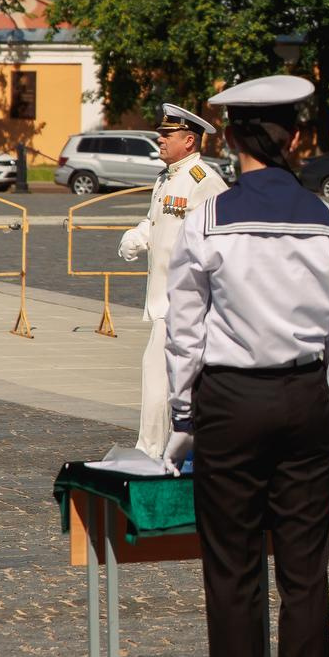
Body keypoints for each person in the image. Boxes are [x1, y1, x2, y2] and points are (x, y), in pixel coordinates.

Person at [164, 73, 329, 657]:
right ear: (297, 138)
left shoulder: (208, 219)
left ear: (232, 140)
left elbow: (184, 331)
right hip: (305, 397)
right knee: (306, 572)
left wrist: (185, 413)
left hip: (231, 400)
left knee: (234, 569)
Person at [117, 104, 228, 456]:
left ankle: (153, 452)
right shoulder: (166, 177)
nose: (160, 139)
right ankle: (162, 450)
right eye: (160, 133)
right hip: (166, 299)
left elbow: (221, 240)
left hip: (189, 302)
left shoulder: (204, 181)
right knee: (164, 381)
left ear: (190, 140)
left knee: (162, 380)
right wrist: (137, 235)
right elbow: (157, 221)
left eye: (168, 134)